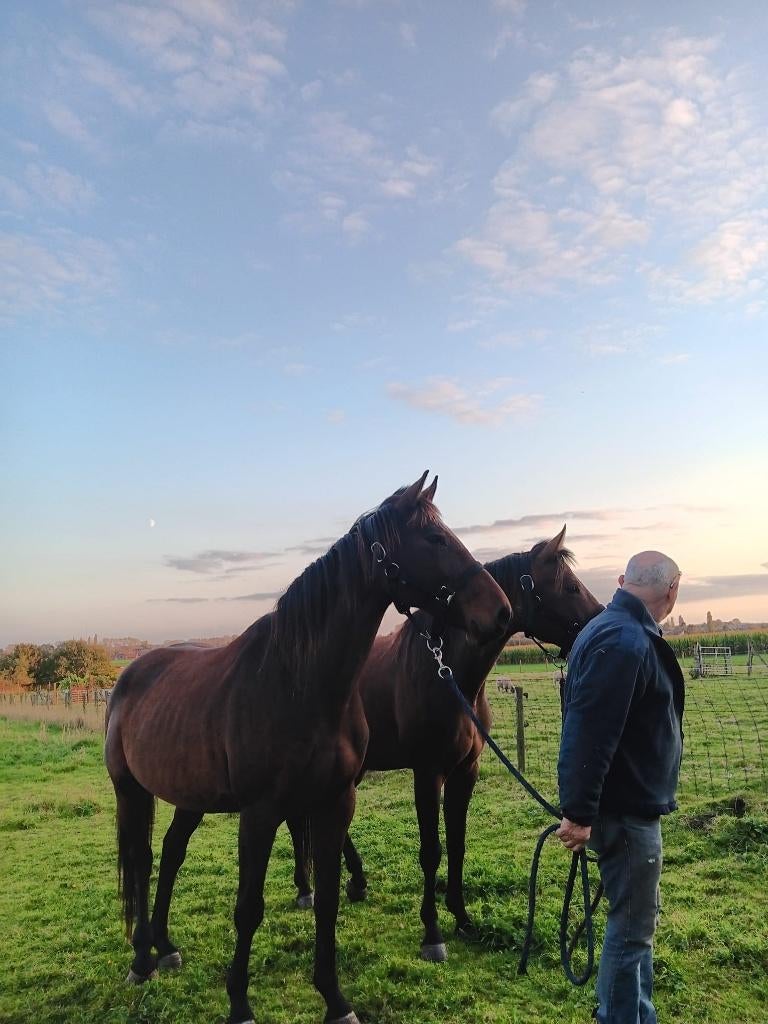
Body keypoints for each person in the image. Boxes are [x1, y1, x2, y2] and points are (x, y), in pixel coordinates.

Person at [556, 551, 684, 1024]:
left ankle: (636, 1014)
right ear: (672, 590)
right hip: (626, 815)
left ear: (621, 581)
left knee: (635, 929)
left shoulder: (607, 629)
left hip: (621, 807)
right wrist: (580, 813)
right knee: (631, 933)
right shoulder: (627, 640)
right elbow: (590, 731)